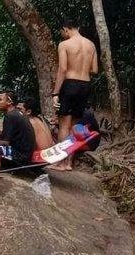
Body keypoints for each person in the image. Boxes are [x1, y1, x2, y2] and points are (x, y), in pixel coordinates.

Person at [49, 18, 98, 171]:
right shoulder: (91, 45)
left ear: (65, 29)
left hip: (70, 84)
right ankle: (70, 163)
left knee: (64, 125)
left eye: (62, 32)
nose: (62, 35)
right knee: (74, 126)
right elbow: (94, 70)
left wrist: (55, 92)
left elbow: (63, 69)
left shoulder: (64, 45)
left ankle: (61, 163)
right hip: (85, 85)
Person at [0, 90, 36, 167]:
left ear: (9, 102)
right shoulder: (16, 113)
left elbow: (5, 142)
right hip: (26, 155)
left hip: (20, 157)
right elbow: (12, 135)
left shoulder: (10, 116)